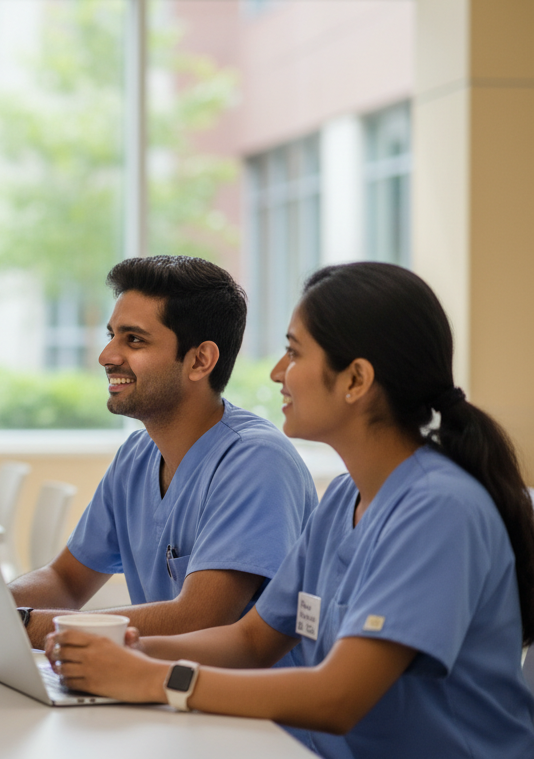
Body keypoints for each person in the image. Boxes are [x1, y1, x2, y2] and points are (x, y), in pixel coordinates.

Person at [47, 262, 534, 758]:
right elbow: (252, 641)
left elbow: (338, 698)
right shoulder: (346, 497)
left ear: (356, 379)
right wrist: (121, 649)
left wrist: (155, 679)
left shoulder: (440, 510)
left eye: (294, 353)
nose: (278, 372)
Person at [0, 256, 316, 651]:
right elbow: (66, 580)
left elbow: (197, 618)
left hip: (239, 708)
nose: (107, 355)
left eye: (134, 340)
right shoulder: (137, 454)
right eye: (111, 335)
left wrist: (10, 624)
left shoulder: (257, 462)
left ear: (200, 360)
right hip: (153, 692)